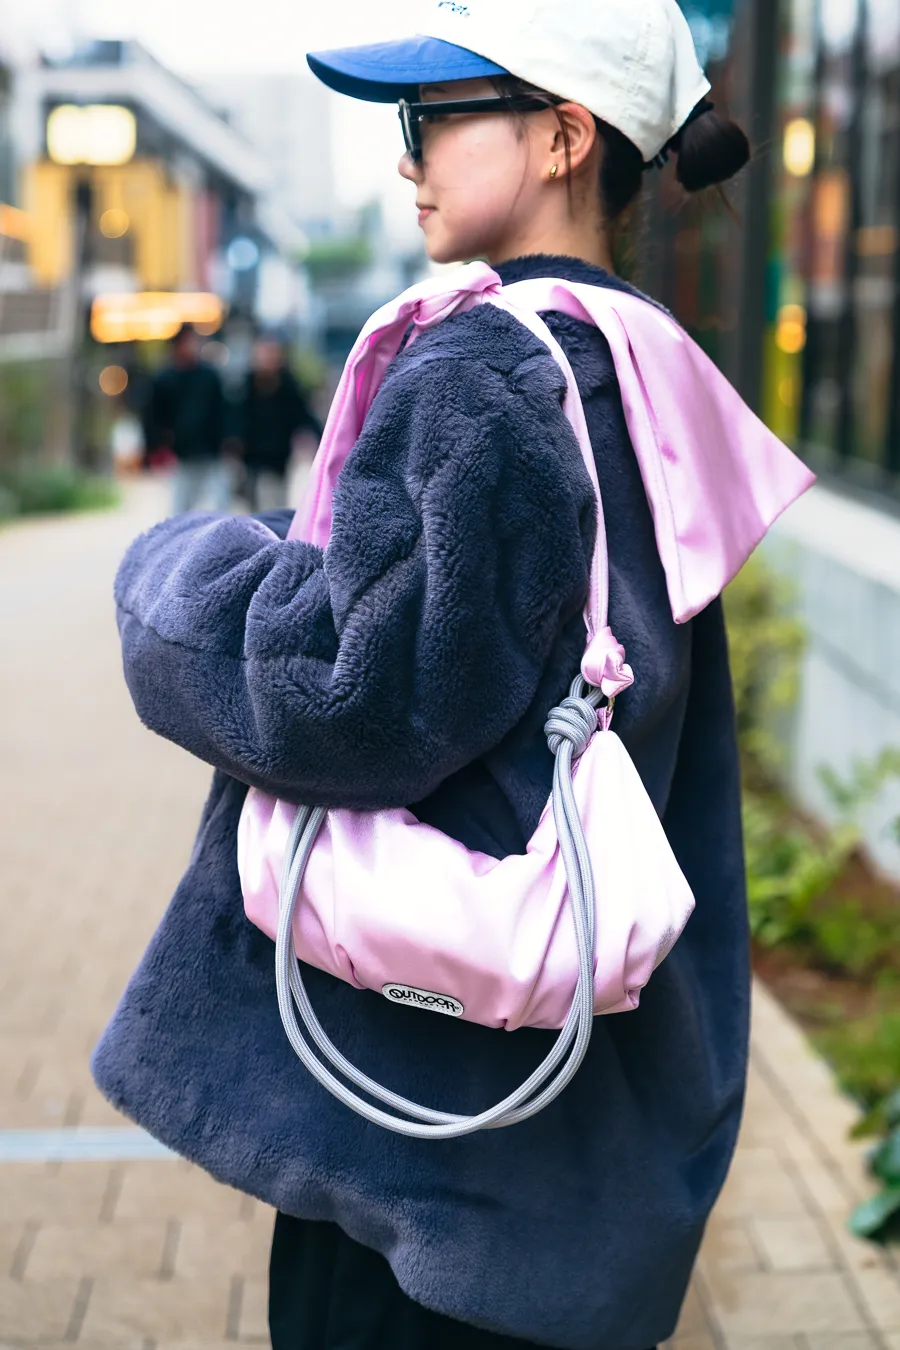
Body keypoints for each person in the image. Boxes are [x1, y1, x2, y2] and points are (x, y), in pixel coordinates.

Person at [92, 2, 793, 1346]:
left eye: (434, 117)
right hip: (568, 1130)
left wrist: (171, 575)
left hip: (426, 1122)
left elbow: (350, 693)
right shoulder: (639, 363)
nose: (406, 157)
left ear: (564, 136)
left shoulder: (484, 372)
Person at [145, 323, 230, 514]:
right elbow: (155, 417)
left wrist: (227, 439)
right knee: (180, 509)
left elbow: (222, 411)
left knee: (218, 506)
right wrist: (158, 445)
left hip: (210, 453)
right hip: (180, 455)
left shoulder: (209, 376)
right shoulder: (164, 379)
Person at [232, 336, 322, 511]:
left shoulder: (288, 385)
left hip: (279, 457)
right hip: (253, 457)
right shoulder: (246, 385)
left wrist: (320, 438)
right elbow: (236, 417)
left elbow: (303, 415)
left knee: (273, 503)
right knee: (258, 503)